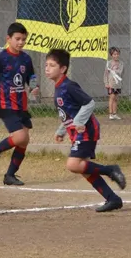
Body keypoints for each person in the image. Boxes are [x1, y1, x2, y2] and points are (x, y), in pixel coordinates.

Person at [47, 49, 126, 212]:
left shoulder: (69, 86)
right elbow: (68, 113)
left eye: (52, 65)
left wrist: (78, 122)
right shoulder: (58, 88)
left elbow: (89, 103)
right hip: (77, 132)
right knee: (84, 168)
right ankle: (113, 199)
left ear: (62, 69)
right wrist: (61, 130)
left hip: (87, 130)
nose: (47, 68)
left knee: (74, 164)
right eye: (46, 65)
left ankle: (110, 170)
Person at [0, 22, 40, 186]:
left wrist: (34, 87)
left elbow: (31, 77)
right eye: (17, 39)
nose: (20, 42)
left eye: (23, 39)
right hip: (6, 105)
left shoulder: (26, 58)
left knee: (24, 141)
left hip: (22, 106)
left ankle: (10, 175)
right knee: (20, 136)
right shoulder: (1, 58)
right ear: (9, 39)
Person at [103, 46, 124, 121]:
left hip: (117, 84)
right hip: (111, 84)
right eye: (114, 54)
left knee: (116, 98)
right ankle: (110, 113)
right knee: (111, 97)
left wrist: (114, 71)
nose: (116, 55)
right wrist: (106, 83)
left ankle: (115, 113)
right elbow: (106, 74)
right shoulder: (109, 63)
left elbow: (121, 72)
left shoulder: (121, 63)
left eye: (117, 54)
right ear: (111, 55)